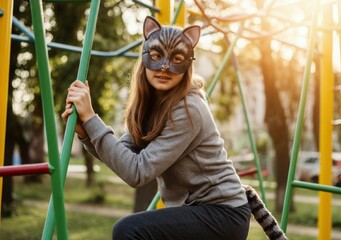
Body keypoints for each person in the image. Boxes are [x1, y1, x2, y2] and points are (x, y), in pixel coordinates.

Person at [62, 16, 251, 240]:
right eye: (156, 56)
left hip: (223, 213)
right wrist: (87, 134)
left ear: (187, 64)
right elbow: (124, 158)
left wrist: (92, 118)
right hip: (196, 210)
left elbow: (137, 173)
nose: (164, 67)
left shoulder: (189, 110)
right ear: (145, 57)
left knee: (129, 230)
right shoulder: (147, 105)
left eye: (177, 58)